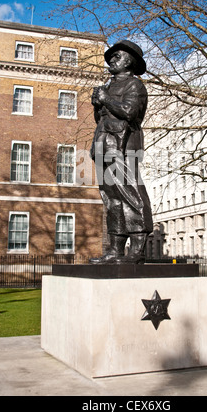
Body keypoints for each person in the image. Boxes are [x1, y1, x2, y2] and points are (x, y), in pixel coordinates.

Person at [90, 40, 153, 264]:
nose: (112, 60)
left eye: (117, 56)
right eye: (111, 57)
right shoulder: (107, 87)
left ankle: (137, 249)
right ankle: (115, 249)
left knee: (130, 192)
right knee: (111, 198)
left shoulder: (134, 86)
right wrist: (98, 105)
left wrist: (106, 100)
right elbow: (101, 119)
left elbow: (130, 112)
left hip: (124, 146)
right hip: (103, 144)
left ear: (130, 62)